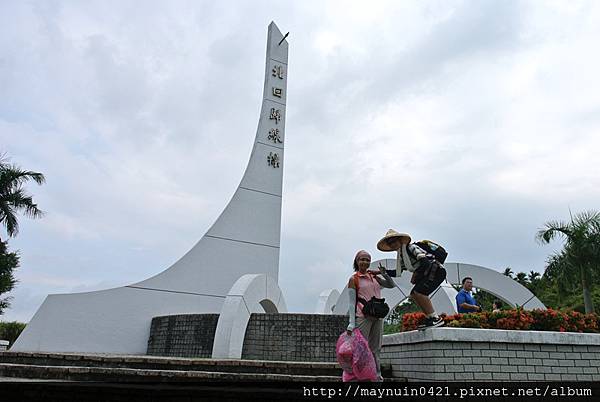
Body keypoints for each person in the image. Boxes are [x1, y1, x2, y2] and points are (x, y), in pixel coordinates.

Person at [377, 229, 446, 328]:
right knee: (414, 294)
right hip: (429, 272)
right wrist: (383, 271)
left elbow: (425, 262)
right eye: (390, 243)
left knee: (419, 292)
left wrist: (416, 275)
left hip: (436, 270)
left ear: (400, 240)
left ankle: (435, 318)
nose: (392, 244)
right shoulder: (402, 256)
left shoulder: (411, 247)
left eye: (394, 241)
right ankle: (429, 317)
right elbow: (398, 272)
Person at [346, 249, 395, 382]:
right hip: (363, 316)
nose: (365, 262)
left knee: (376, 348)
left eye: (367, 260)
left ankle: (377, 375)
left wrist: (385, 274)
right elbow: (351, 302)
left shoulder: (374, 277)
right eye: (362, 259)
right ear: (357, 261)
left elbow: (391, 285)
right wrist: (351, 322)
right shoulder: (354, 279)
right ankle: (358, 375)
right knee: (361, 347)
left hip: (378, 316)